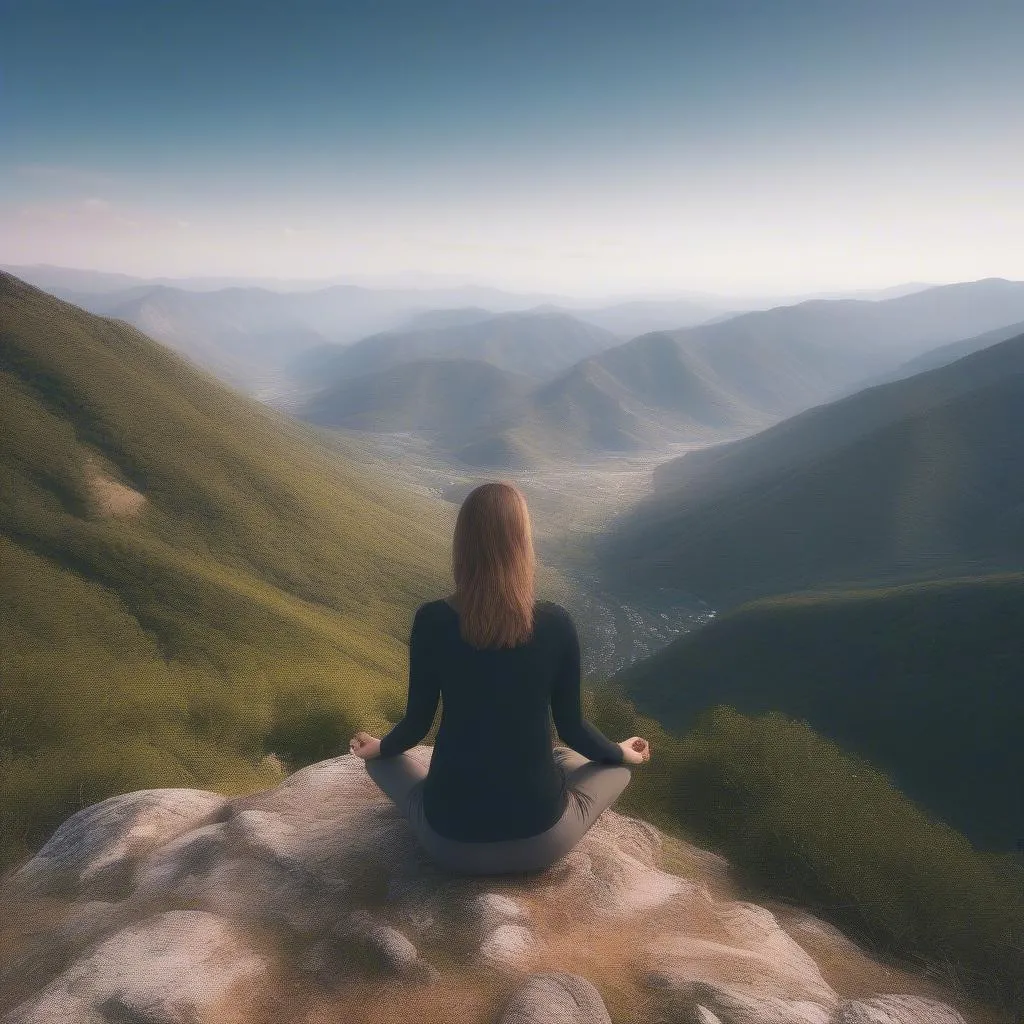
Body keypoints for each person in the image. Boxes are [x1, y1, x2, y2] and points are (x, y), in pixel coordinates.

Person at [349, 480, 651, 876]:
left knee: (381, 764)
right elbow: (573, 728)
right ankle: (589, 763)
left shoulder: (432, 621)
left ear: (462, 545)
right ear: (522, 544)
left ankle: (397, 770)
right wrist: (623, 751)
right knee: (604, 766)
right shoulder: (555, 623)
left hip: (449, 845)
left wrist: (379, 748)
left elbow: (415, 726)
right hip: (541, 844)